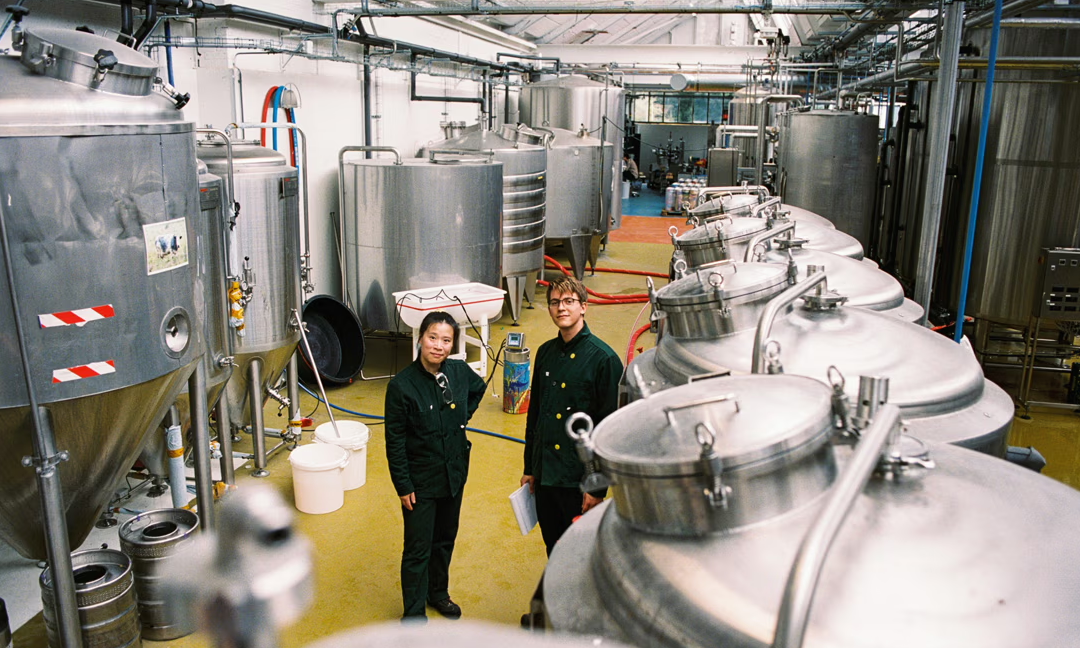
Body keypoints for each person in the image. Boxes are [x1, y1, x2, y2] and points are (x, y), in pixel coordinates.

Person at [384, 311, 486, 623]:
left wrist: (461, 418)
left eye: (446, 340)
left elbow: (478, 389)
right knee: (417, 549)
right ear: (420, 338)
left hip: (453, 474)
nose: (438, 346)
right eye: (432, 337)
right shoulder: (401, 387)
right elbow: (395, 442)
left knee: (444, 539)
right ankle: (413, 614)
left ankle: (438, 593)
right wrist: (403, 485)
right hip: (420, 483)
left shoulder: (457, 371)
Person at [521, 275, 622, 556]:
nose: (561, 308)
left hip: (578, 481)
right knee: (553, 548)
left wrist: (598, 488)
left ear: (584, 306)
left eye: (569, 301)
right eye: (555, 302)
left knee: (580, 554)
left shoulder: (604, 360)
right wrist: (530, 468)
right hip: (545, 477)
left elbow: (607, 430)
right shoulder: (545, 353)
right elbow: (536, 416)